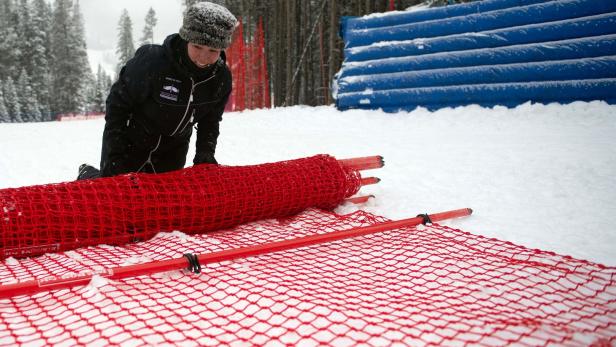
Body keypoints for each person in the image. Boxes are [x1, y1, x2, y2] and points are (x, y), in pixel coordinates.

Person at [78, 2, 237, 180]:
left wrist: (205, 153)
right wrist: (113, 157)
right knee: (115, 197)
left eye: (213, 50)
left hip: (173, 151)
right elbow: (117, 106)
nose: (203, 57)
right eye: (197, 47)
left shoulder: (220, 79)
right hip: (132, 144)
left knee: (160, 205)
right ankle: (88, 174)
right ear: (186, 39)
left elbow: (210, 119)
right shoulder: (153, 62)